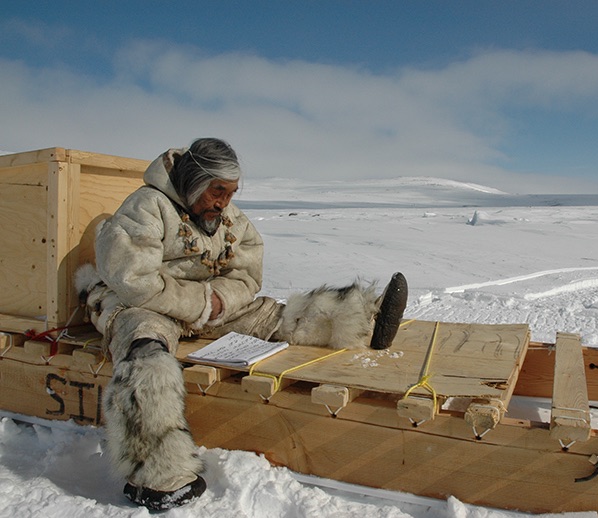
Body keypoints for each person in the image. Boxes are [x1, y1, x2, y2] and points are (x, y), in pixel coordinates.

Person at [75, 137, 407, 510]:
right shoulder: (145, 208)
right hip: (143, 307)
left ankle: (363, 320)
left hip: (209, 305)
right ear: (195, 180)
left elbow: (248, 275)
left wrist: (220, 300)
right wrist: (201, 302)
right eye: (218, 191)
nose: (224, 202)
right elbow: (134, 280)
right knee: (146, 358)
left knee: (277, 317)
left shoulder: (226, 219)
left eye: (231, 192)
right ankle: (157, 475)